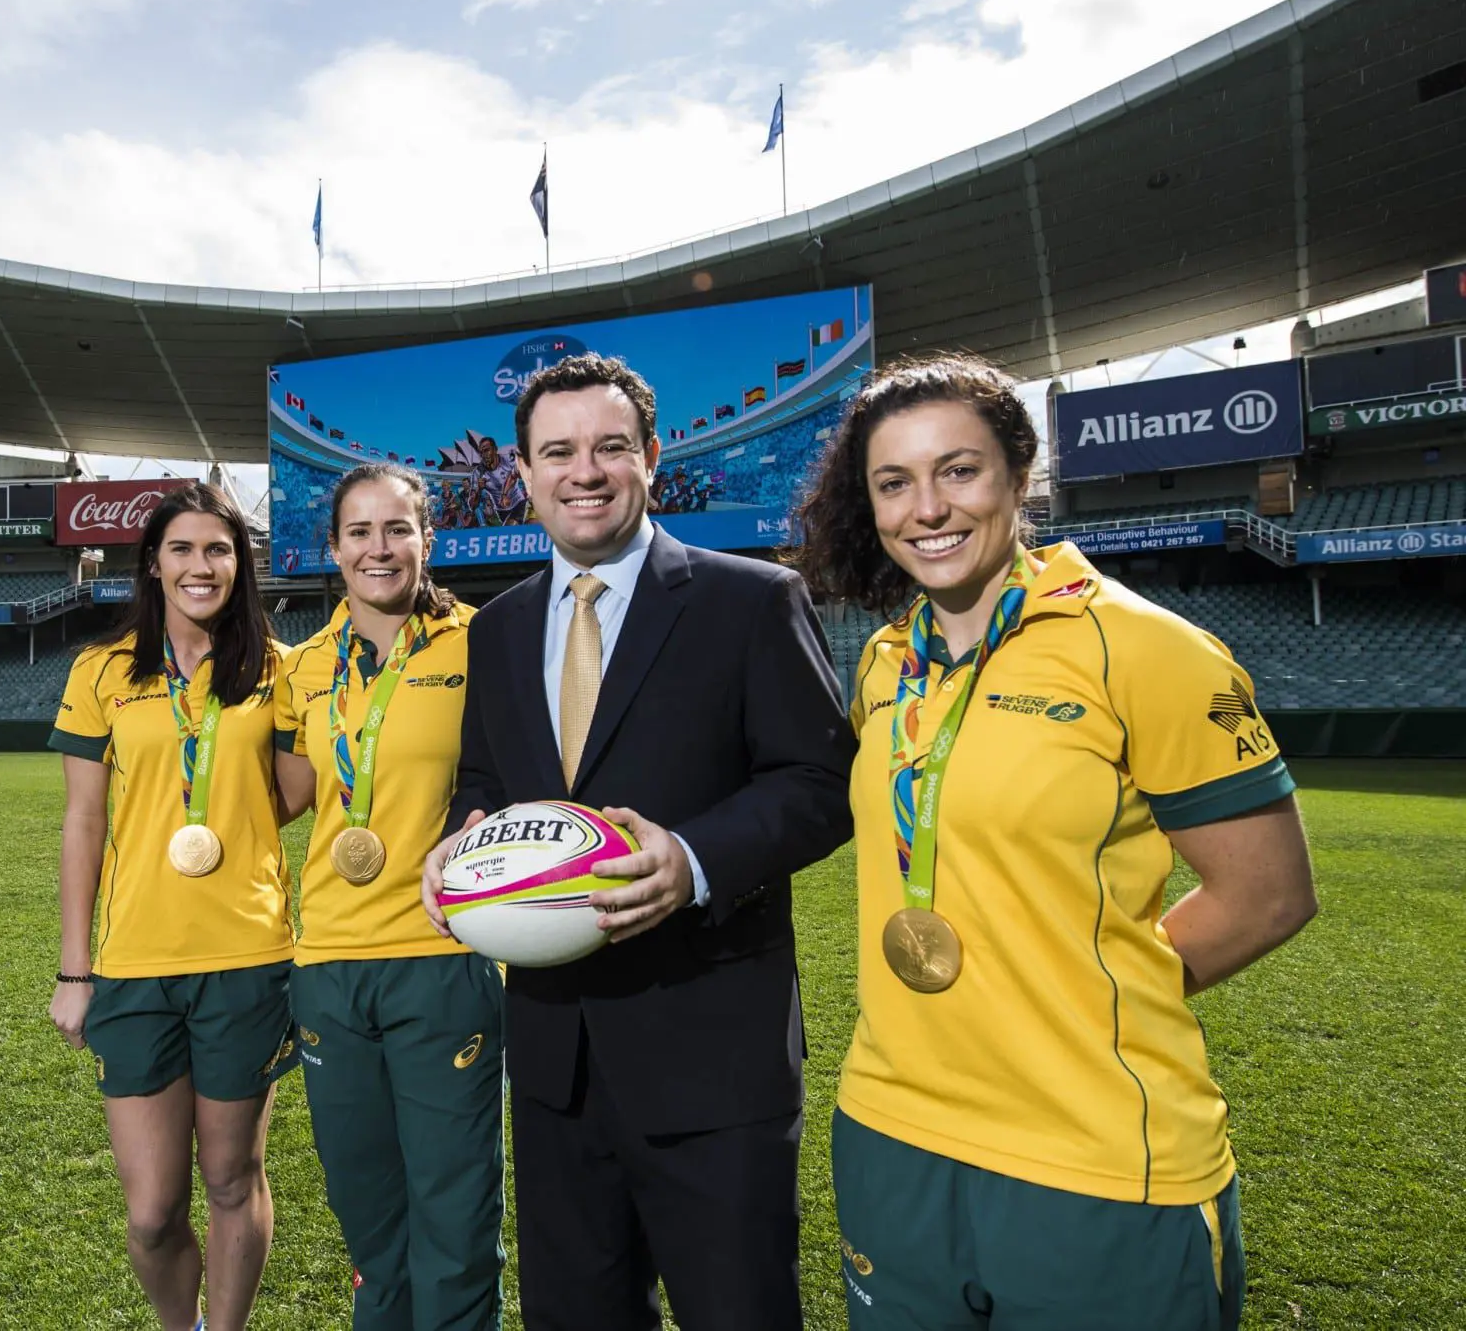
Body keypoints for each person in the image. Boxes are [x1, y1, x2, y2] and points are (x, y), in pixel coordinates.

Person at [792, 355, 1318, 1330]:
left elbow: (1267, 894)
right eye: (892, 483)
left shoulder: (1142, 647)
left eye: (958, 470)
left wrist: (1079, 992)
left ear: (1019, 474)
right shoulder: (880, 662)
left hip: (1093, 1151)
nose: (927, 508)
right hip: (889, 1131)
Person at [421, 352, 856, 1331]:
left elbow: (819, 785)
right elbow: (486, 786)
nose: (585, 472)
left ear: (650, 458)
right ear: (521, 476)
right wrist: (460, 849)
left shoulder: (750, 601)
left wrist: (693, 862)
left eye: (609, 447)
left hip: (710, 1059)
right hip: (552, 1064)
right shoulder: (492, 631)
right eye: (557, 452)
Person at [47, 481, 298, 1331]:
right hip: (135, 965)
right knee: (153, 1208)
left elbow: (296, 793)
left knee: (233, 1178)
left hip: (248, 957)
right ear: (152, 563)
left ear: (241, 563)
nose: (202, 566)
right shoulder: (102, 670)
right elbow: (84, 822)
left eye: (219, 550)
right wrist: (72, 970)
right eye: (184, 549)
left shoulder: (276, 668)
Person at [272, 463, 504, 1331]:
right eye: (359, 531)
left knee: (454, 1218)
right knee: (370, 1226)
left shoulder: (484, 640)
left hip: (442, 959)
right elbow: (286, 798)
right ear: (333, 548)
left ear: (426, 539)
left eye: (397, 528)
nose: (379, 547)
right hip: (327, 964)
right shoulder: (303, 666)